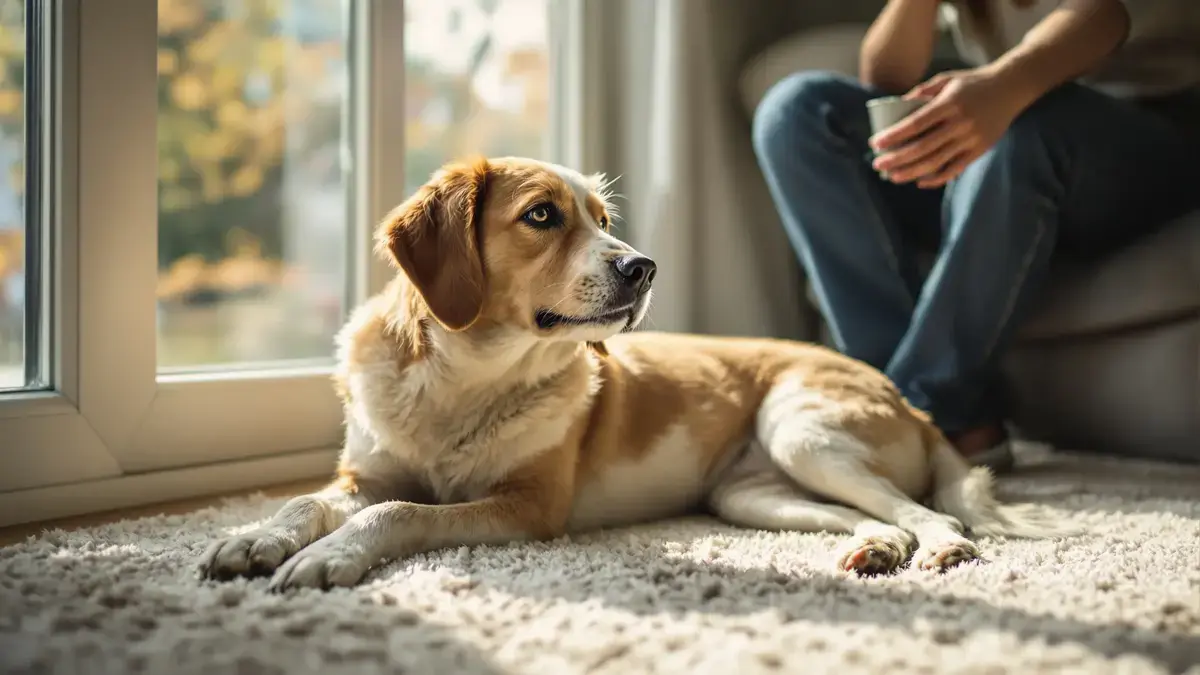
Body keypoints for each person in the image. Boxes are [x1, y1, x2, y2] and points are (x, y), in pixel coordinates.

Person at [752, 0, 1200, 471]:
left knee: (1023, 123)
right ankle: (907, 405)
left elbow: (1105, 18)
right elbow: (884, 79)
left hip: (1149, 139)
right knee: (798, 112)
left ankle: (922, 410)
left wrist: (1002, 88)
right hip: (1007, 159)